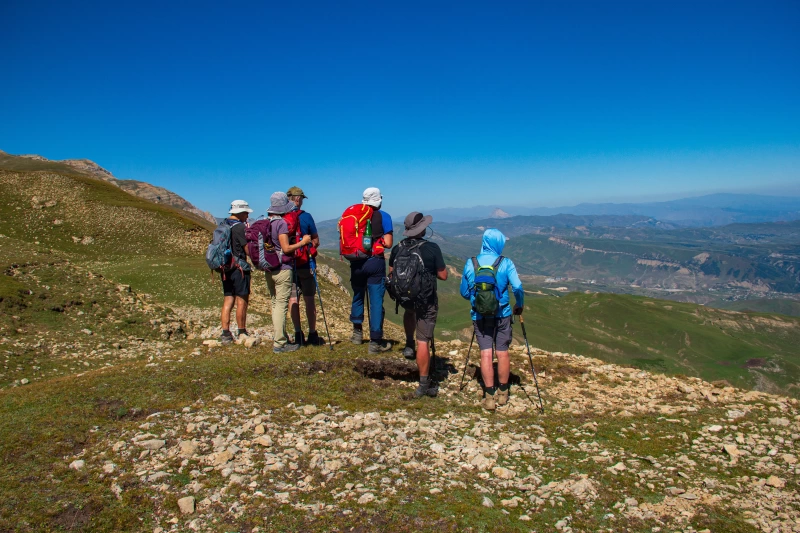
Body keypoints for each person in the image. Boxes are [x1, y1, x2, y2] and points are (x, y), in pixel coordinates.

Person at [459, 228, 524, 411]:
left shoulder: (471, 263)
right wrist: (519, 304)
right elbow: (518, 287)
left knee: (486, 353)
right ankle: (503, 393)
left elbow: (464, 292)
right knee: (502, 352)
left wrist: (476, 297)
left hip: (479, 315)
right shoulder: (506, 263)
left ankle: (489, 397)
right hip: (502, 315)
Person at [388, 212, 447, 398]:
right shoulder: (431, 248)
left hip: (407, 296)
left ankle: (408, 344)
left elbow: (391, 273)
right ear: (423, 228)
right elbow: (443, 275)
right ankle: (423, 384)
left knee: (409, 313)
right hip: (426, 299)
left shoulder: (398, 248)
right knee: (424, 340)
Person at [265, 192, 312, 353]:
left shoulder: (266, 223)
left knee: (274, 303)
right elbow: (286, 248)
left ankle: (281, 336)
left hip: (269, 268)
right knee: (281, 305)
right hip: (282, 269)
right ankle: (280, 343)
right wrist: (303, 242)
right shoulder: (281, 224)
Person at [348, 187, 393, 353]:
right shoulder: (384, 216)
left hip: (356, 262)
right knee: (375, 302)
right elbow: (388, 243)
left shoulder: (354, 215)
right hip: (375, 262)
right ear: (379, 200)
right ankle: (375, 342)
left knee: (358, 296)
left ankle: (357, 335)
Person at [285, 186, 324, 346]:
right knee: (309, 299)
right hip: (306, 264)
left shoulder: (282, 218)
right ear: (298, 199)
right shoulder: (306, 217)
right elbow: (316, 240)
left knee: (293, 299)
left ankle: (297, 333)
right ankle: (312, 333)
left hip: (288, 265)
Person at [220, 199, 253, 345]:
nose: (247, 215)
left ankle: (225, 333)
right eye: (246, 213)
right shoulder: (239, 227)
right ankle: (241, 331)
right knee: (242, 300)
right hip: (239, 267)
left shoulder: (223, 224)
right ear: (240, 212)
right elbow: (246, 248)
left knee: (228, 299)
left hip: (225, 268)